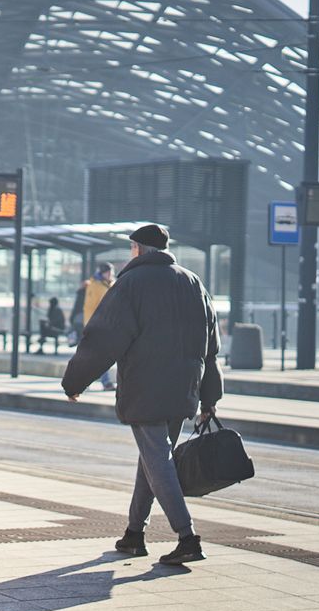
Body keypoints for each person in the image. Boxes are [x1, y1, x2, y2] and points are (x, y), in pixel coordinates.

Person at [60, 223, 222, 566]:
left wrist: (74, 382)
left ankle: (187, 536)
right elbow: (211, 346)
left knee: (158, 461)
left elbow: (103, 337)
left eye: (132, 248)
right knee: (152, 457)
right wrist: (210, 397)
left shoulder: (131, 284)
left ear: (138, 249)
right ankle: (134, 533)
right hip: (185, 389)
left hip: (147, 386)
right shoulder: (193, 282)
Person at [81, 263, 117, 390]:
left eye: (111, 272)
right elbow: (90, 307)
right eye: (108, 272)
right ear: (102, 273)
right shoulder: (95, 286)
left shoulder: (110, 284)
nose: (111, 274)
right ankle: (105, 382)